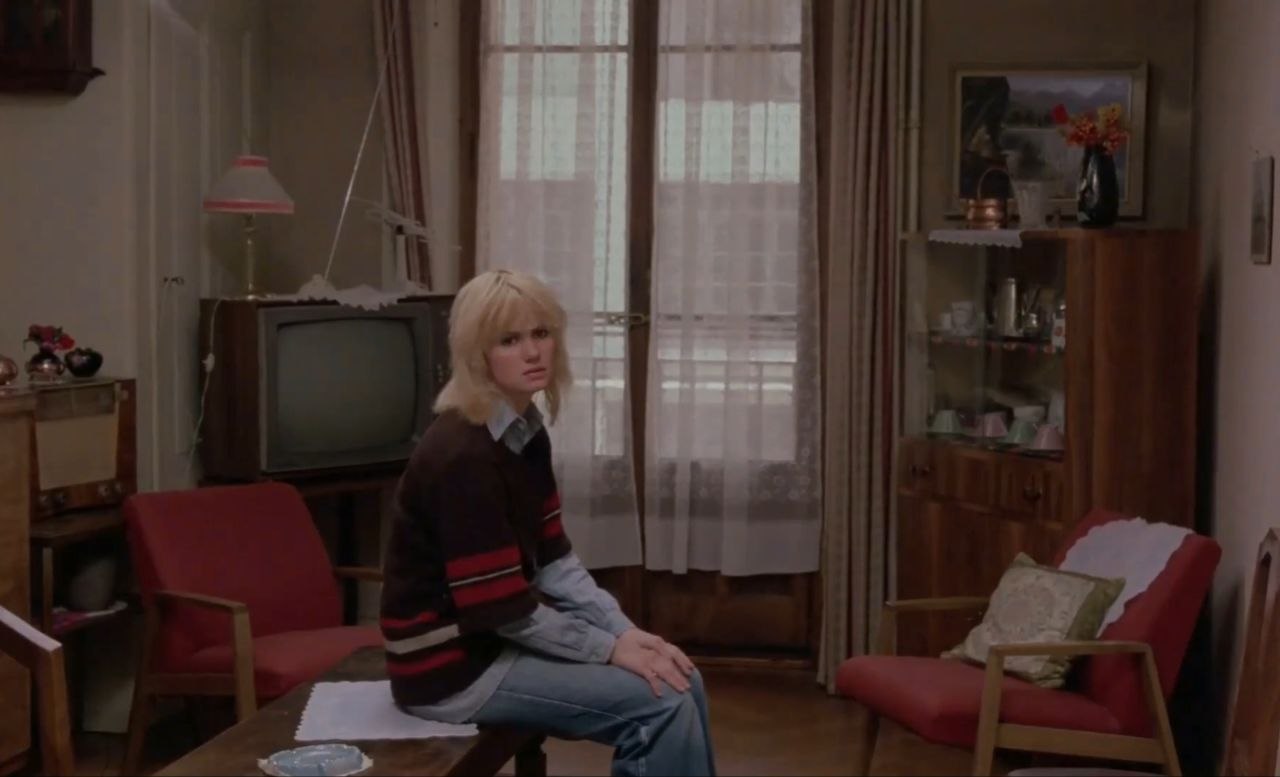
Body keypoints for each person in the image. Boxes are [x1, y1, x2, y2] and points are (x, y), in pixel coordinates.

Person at [380, 269, 716, 777]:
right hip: (452, 669)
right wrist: (609, 650)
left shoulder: (524, 434)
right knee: (662, 702)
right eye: (509, 340)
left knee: (682, 677)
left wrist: (628, 635)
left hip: (494, 641)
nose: (533, 352)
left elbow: (555, 563)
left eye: (541, 333)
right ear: (478, 355)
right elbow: (505, 613)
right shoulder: (463, 457)